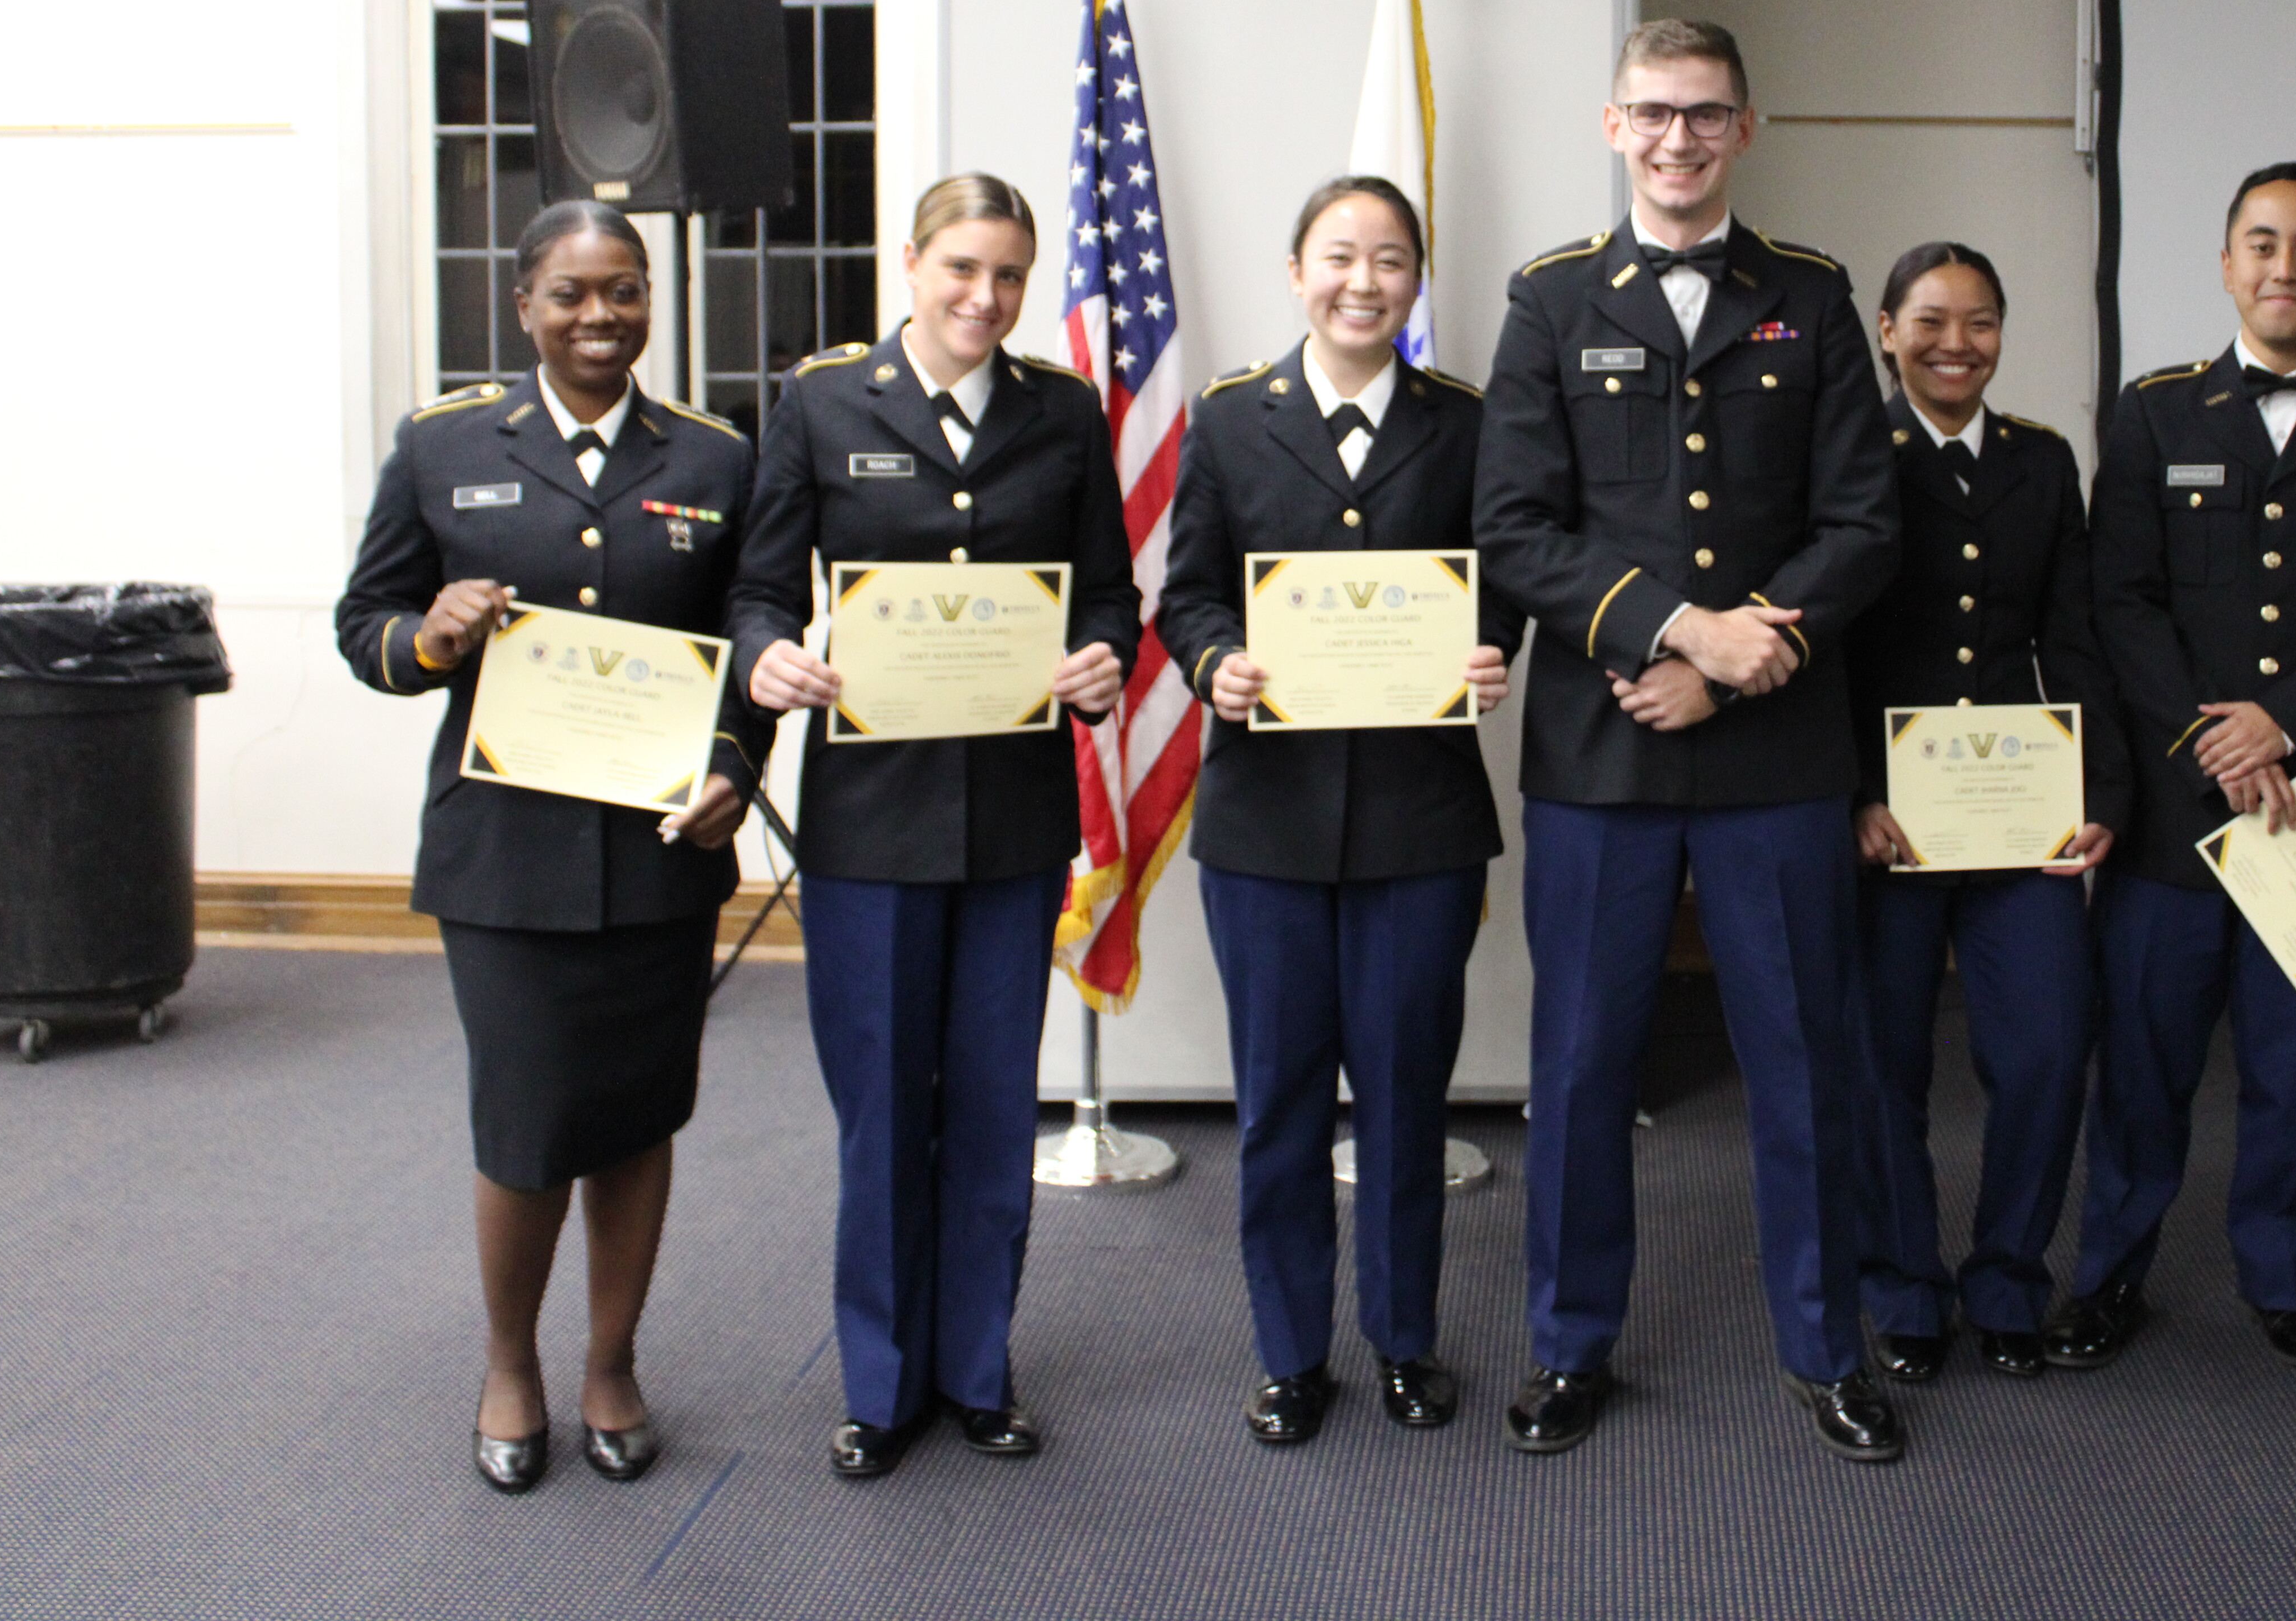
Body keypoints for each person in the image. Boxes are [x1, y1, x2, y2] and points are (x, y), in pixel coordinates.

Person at [1473, 19, 1905, 1462]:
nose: (1677, 140)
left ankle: (1825, 1346)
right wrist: (1673, 629)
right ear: (1612, 125)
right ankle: (1570, 1344)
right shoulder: (1548, 301)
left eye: (1704, 116)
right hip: (1603, 748)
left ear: (1746, 128)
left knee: (1804, 1061)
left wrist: (1736, 659)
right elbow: (1518, 527)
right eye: (1653, 115)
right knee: (1585, 1064)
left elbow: (1864, 521)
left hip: (1775, 752)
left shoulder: (1816, 298)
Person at [335, 201, 765, 1494]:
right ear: (523, 305)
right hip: (506, 856)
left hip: (657, 847)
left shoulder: (715, 458)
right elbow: (367, 624)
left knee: (636, 1113)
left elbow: (751, 630)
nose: (601, 316)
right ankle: (511, 1361)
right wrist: (433, 637)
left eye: (625, 292)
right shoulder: (444, 442)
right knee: (526, 1117)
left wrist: (737, 765)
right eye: (573, 292)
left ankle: (612, 1360)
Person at [730, 174, 1140, 1481]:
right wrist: (770, 659)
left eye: (1010, 276)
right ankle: (880, 1380)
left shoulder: (1064, 413)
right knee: (882, 1112)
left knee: (986, 1110)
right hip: (869, 825)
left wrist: (1097, 659)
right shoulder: (821, 403)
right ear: (908, 263)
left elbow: (1112, 599)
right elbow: (755, 588)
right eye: (963, 268)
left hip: (1014, 823)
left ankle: (978, 1369)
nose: (986, 297)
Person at [1156, 176, 1521, 1446]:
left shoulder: (1471, 423)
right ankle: (1289, 1350)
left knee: (1409, 1097)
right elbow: (1186, 594)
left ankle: (1405, 1339)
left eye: (1391, 259)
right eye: (1338, 257)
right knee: (1281, 1103)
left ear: (1419, 278)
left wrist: (1490, 649)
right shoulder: (1230, 418)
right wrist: (1217, 665)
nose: (1363, 281)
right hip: (1266, 824)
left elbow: (1503, 574)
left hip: (1420, 825)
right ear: (1297, 269)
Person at [2065, 163, 2296, 1378]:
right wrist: (2205, 739)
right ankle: (2110, 1273)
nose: (2288, 267)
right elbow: (2118, 598)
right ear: (2227, 263)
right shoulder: (2156, 411)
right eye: (2264, 244)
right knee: (2144, 1063)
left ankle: (2282, 1280)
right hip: (2181, 808)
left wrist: (2287, 720)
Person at [1844, 242, 2127, 1384]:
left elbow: (2074, 636)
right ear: (1886, 327)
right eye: (1931, 319)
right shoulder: (1848, 455)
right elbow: (1827, 648)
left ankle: (2009, 1275)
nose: (1956, 341)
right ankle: (1905, 1283)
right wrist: (1854, 791)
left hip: (2021, 816)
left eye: (1982, 320)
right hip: (1889, 822)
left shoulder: (2043, 462)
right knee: (1882, 1064)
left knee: (2051, 1046)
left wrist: (2099, 792)